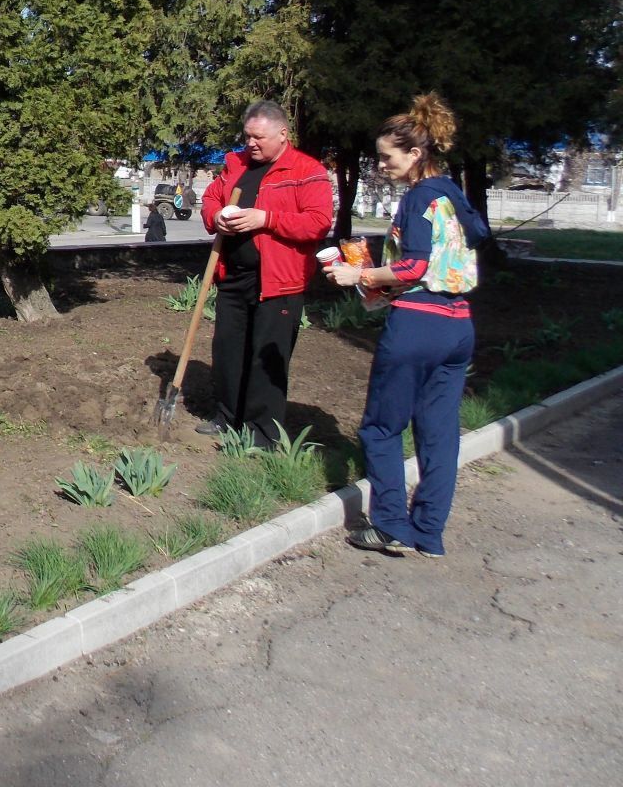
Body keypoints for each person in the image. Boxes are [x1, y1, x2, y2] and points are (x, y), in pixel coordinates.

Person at [325, 94, 489, 557]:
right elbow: (474, 238)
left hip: (418, 325)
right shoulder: (451, 193)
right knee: (439, 433)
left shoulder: (418, 197)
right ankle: (430, 532)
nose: (380, 165)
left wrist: (359, 274)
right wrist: (377, 277)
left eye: (386, 156)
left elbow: (415, 266)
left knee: (381, 428)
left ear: (415, 153)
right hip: (458, 324)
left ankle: (392, 524)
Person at [199, 100, 333, 447]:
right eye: (248, 136)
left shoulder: (307, 171)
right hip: (234, 275)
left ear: (282, 134)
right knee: (228, 350)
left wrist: (266, 219)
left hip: (279, 280)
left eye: (259, 137)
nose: (251, 144)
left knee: (266, 356)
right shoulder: (236, 165)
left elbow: (318, 222)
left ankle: (262, 433)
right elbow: (211, 199)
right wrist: (217, 218)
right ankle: (228, 417)